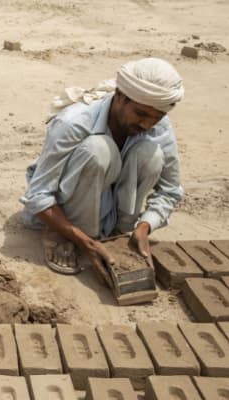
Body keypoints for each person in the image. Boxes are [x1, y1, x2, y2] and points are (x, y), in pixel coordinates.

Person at [20, 58, 185, 279]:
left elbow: (170, 190)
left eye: (157, 117)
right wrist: (82, 240)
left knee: (151, 154)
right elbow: (38, 194)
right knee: (98, 149)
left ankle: (120, 234)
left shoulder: (158, 125)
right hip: (68, 210)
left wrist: (145, 226)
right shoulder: (74, 122)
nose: (147, 124)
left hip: (115, 214)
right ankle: (69, 234)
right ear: (120, 96)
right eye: (141, 114)